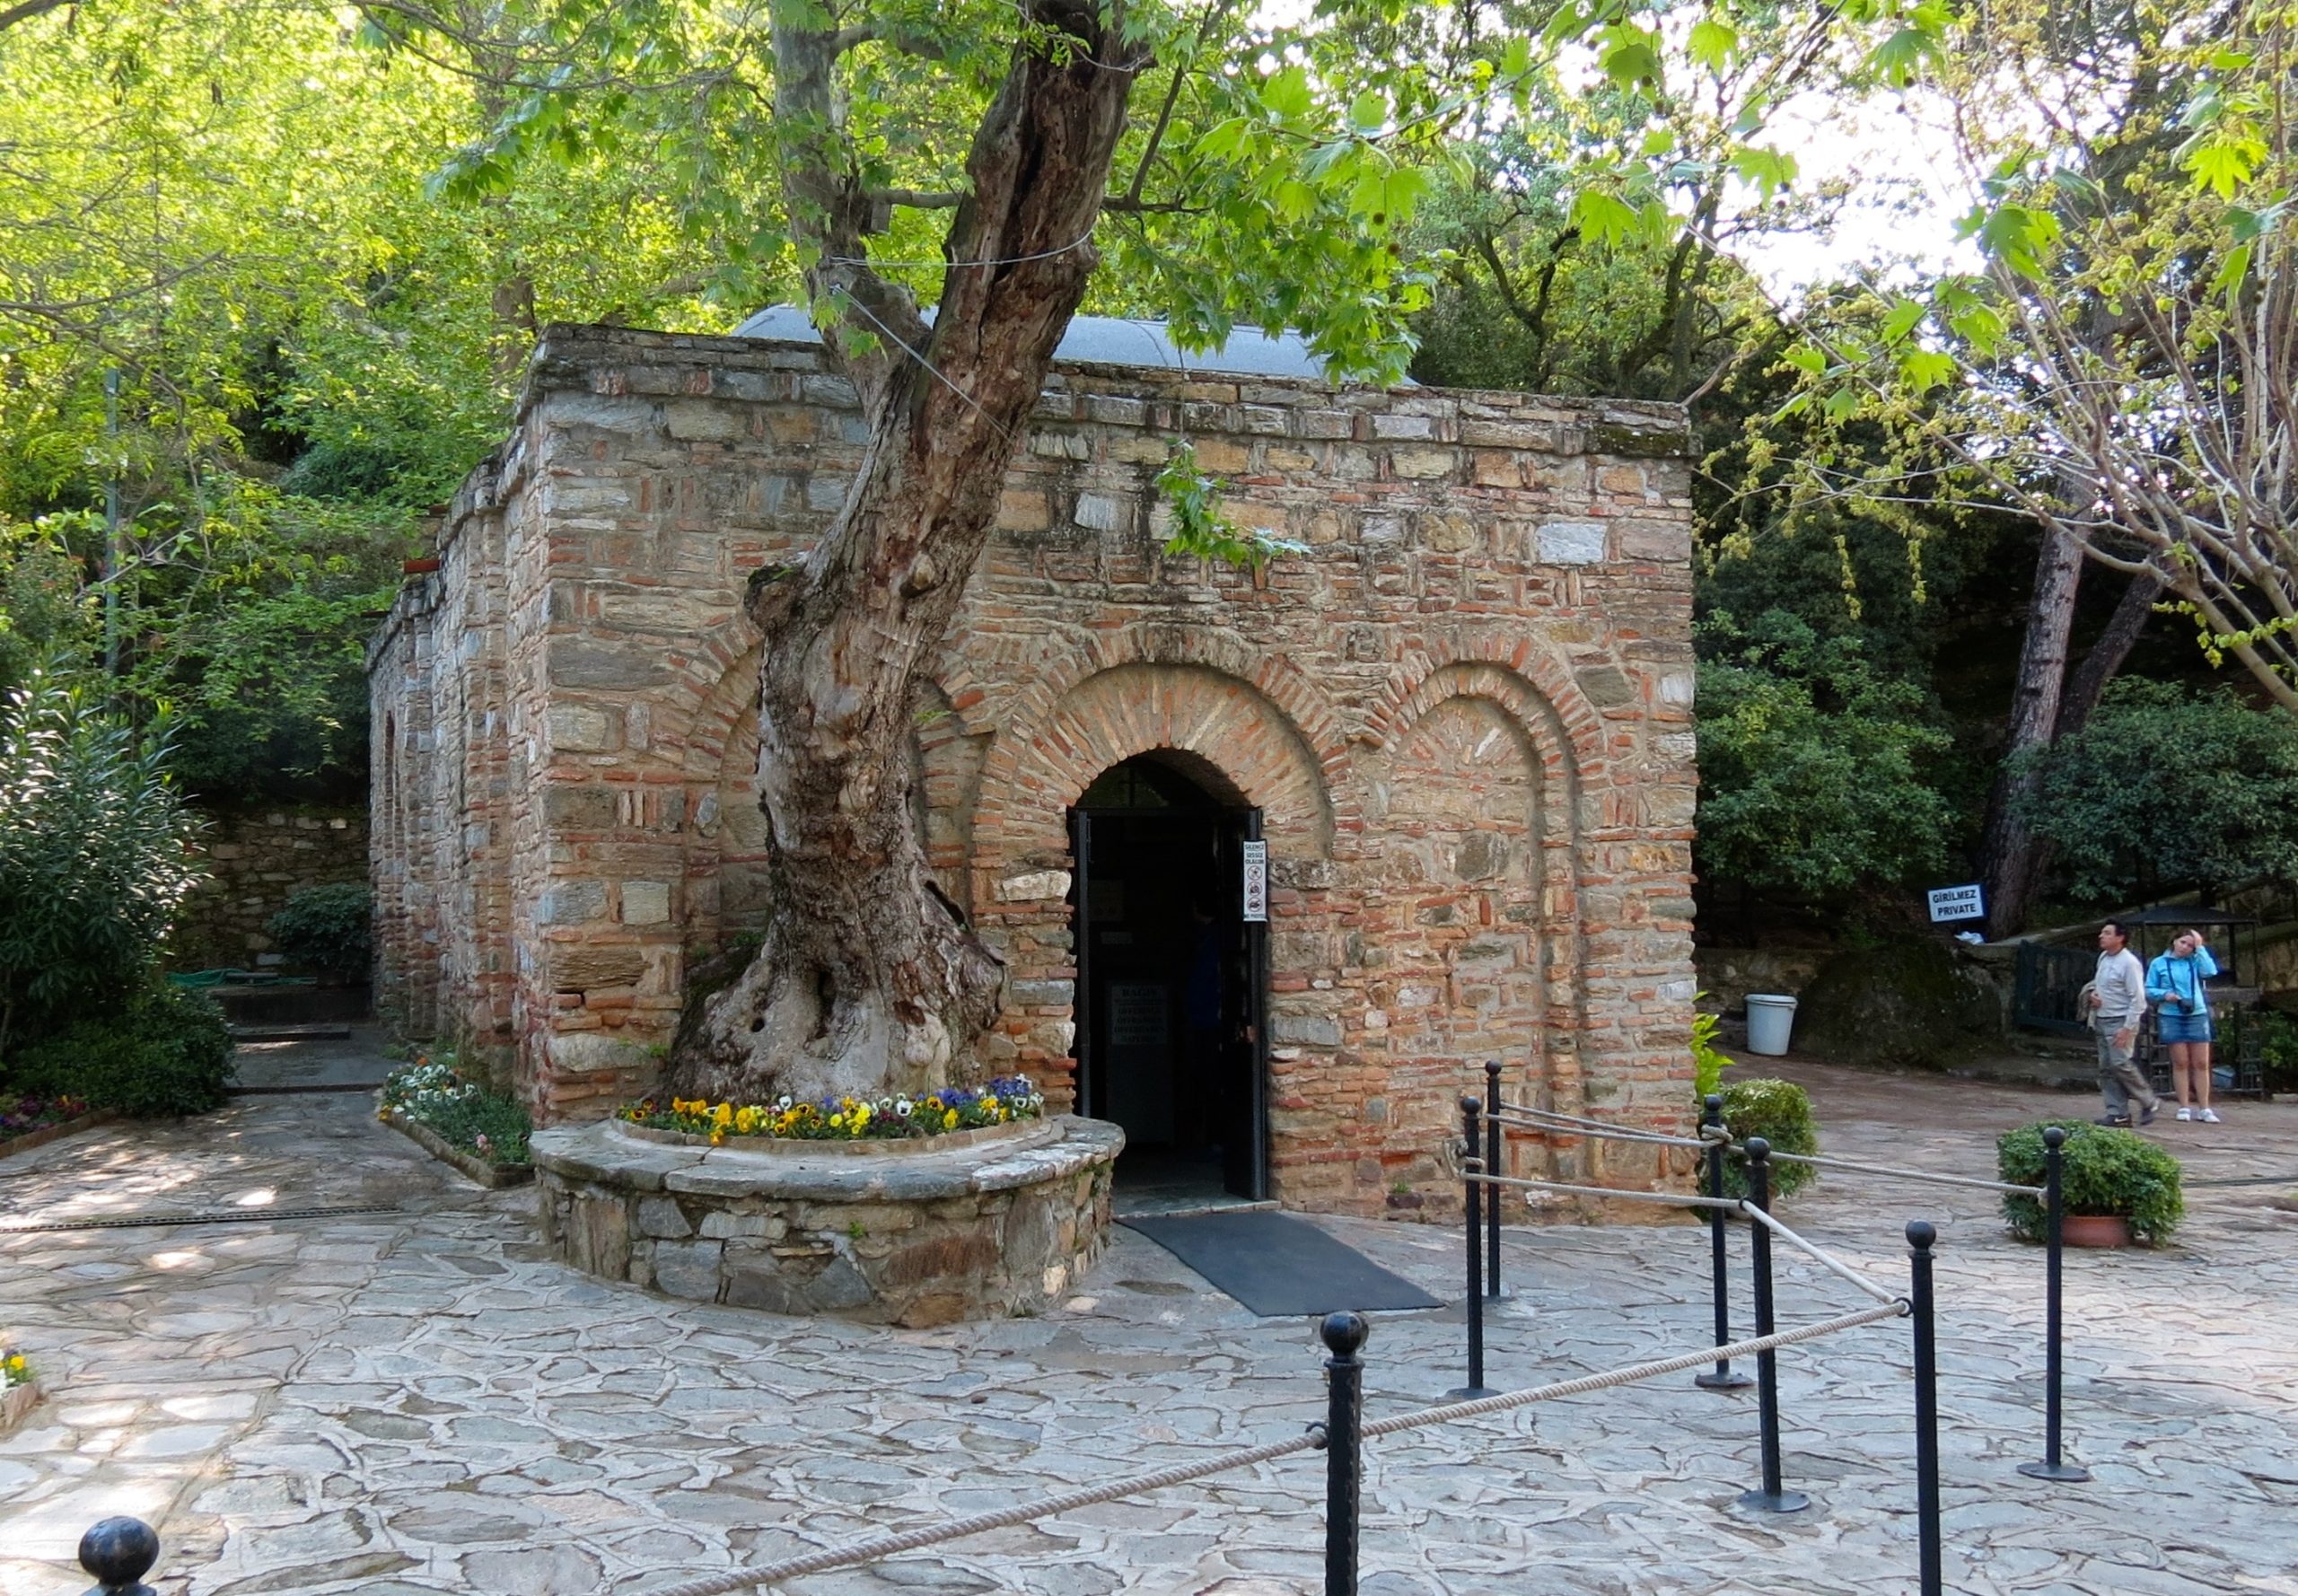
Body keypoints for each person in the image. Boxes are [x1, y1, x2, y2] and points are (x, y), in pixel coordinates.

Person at [2083, 919, 2160, 1127]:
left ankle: (2148, 1100)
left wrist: (2128, 1027)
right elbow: (2097, 983)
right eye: (2102, 933)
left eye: (2107, 933)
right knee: (2107, 1068)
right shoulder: (2104, 958)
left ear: (2120, 937)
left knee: (2120, 1063)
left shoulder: (2129, 963)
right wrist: (2093, 994)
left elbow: (2138, 998)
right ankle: (2118, 1112)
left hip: (2120, 1019)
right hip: (2102, 1017)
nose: (2102, 936)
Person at [2147, 927, 2221, 1122]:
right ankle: (2184, 1106)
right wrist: (2165, 995)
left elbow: (2210, 971)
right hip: (2171, 1014)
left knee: (2202, 1062)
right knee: (2180, 1062)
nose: (2185, 947)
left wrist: (2200, 946)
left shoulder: (2194, 961)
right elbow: (2149, 989)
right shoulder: (2159, 963)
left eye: (2190, 945)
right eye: (2182, 942)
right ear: (2174, 941)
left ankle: (2205, 1107)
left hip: (2196, 1013)